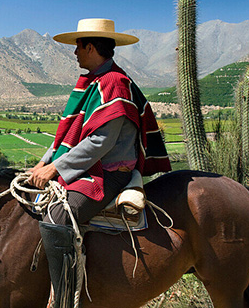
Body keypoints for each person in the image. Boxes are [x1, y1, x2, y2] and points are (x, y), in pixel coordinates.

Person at [27, 18, 171, 307]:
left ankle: (65, 299)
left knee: (57, 216)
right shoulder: (95, 81)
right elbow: (68, 135)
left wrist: (54, 168)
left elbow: (99, 142)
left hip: (108, 172)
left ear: (91, 47)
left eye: (78, 47)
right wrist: (42, 163)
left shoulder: (114, 84)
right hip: (89, 165)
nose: (75, 53)